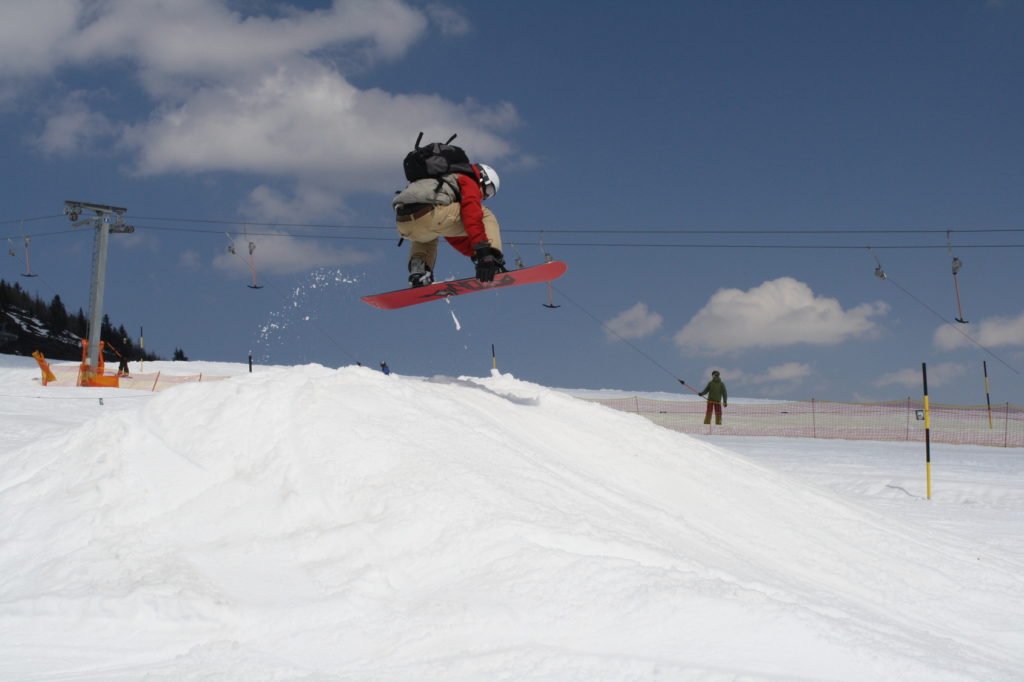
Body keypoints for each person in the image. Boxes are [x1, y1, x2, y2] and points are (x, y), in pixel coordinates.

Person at [392, 161, 504, 287]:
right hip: (431, 212)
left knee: (427, 236)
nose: (485, 196)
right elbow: (472, 216)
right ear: (483, 178)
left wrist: (475, 253)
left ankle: (419, 272)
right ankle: (494, 260)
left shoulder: (442, 179)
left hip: (404, 223)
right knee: (484, 214)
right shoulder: (468, 179)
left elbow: (449, 231)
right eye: (489, 190)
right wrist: (485, 254)